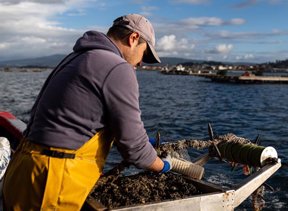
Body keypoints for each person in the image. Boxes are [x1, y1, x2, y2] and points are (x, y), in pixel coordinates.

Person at [2, 14, 171, 210]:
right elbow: (134, 149)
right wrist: (164, 166)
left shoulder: (77, 57)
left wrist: (145, 141)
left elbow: (80, 120)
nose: (142, 63)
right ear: (133, 38)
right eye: (145, 53)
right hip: (51, 181)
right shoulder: (118, 68)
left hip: (22, 168)